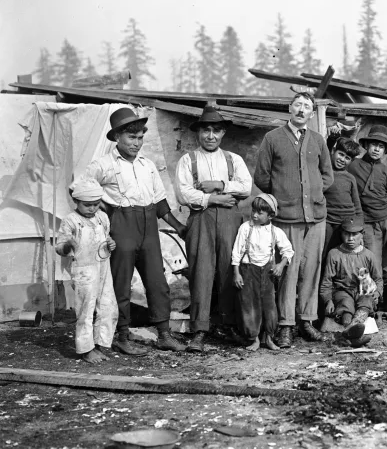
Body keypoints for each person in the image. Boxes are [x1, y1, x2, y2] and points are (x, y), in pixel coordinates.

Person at [84, 107, 188, 355]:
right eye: (131, 137)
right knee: (121, 284)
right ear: (116, 136)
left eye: (140, 137)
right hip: (122, 227)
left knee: (157, 281)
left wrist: (179, 227)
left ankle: (164, 334)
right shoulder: (103, 165)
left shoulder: (147, 165)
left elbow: (160, 202)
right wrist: (103, 216)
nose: (136, 143)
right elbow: (80, 191)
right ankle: (122, 336)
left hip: (149, 227)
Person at [253, 92, 333, 348]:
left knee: (311, 270)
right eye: (297, 104)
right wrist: (284, 197)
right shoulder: (272, 138)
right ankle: (286, 325)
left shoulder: (318, 140)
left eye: (306, 106)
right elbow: (262, 177)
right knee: (288, 271)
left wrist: (315, 194)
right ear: (289, 108)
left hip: (316, 217)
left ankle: (306, 321)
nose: (301, 110)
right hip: (287, 219)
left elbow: (327, 175)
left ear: (312, 113)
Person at [174, 106, 252, 352]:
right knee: (201, 272)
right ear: (198, 133)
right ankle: (199, 330)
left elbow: (246, 187)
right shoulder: (188, 160)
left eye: (216, 131)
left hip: (230, 219)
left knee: (230, 268)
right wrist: (214, 198)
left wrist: (219, 184)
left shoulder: (233, 159)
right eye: (206, 130)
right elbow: (183, 193)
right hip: (201, 219)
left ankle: (228, 324)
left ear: (222, 133)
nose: (210, 136)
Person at [55, 179, 118, 364]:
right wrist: (68, 245)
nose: (92, 208)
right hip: (84, 270)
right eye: (87, 205)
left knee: (108, 306)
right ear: (76, 201)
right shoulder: (70, 221)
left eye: (96, 204)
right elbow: (59, 248)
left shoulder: (102, 217)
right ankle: (86, 349)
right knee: (86, 309)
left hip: (103, 267)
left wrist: (111, 244)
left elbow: (106, 238)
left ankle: (100, 344)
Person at [231, 194, 294, 351]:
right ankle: (254, 339)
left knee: (269, 306)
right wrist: (236, 273)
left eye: (260, 213)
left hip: (267, 273)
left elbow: (288, 251)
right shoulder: (245, 228)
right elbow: (236, 252)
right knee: (249, 305)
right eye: (253, 211)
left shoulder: (275, 231)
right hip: (248, 270)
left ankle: (269, 337)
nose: (255, 215)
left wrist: (281, 265)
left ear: (270, 215)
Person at [347, 125, 387, 276]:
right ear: (366, 145)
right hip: (368, 223)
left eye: (381, 147)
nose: (376, 149)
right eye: (374, 144)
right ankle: (376, 291)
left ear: (385, 151)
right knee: (373, 261)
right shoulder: (353, 166)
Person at [320, 215, 383, 339]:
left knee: (366, 300)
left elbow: (378, 279)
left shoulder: (368, 255)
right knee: (345, 304)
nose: (350, 239)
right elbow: (327, 281)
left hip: (363, 289)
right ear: (341, 234)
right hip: (342, 290)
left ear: (362, 235)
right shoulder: (334, 254)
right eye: (346, 234)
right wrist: (328, 300)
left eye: (354, 235)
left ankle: (353, 328)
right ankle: (351, 330)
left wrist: (378, 293)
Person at [323, 137, 363, 260]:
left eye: (347, 158)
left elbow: (357, 205)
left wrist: (360, 226)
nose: (342, 159)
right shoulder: (324, 173)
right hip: (328, 221)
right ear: (333, 151)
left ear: (351, 161)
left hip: (346, 224)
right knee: (326, 254)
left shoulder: (350, 178)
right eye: (340, 154)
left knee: (345, 255)